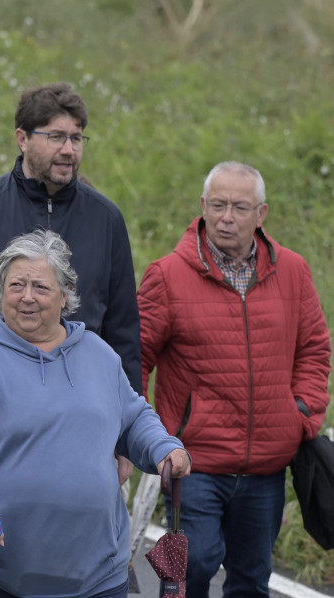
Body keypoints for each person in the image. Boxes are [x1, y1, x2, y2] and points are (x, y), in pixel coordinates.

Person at [0, 231, 191, 598]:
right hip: (0, 571)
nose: (26, 297)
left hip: (97, 574)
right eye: (16, 285)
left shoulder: (98, 354)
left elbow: (132, 418)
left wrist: (163, 447)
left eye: (40, 286)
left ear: (65, 295)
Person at [0, 82, 142, 482]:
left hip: (83, 416)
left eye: (76, 138)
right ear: (22, 138)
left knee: (77, 535)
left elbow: (123, 329)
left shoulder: (106, 219)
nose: (69, 150)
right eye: (55, 137)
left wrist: (125, 436)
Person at [138, 161, 331, 598]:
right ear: (203, 207)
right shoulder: (166, 275)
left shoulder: (294, 271)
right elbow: (136, 359)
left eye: (240, 207)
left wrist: (300, 412)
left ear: (261, 214)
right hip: (194, 460)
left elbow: (315, 348)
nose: (227, 216)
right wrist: (146, 434)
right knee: (196, 564)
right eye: (219, 205)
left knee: (251, 579)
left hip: (266, 464)